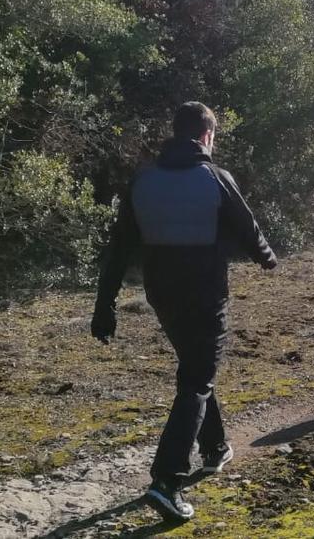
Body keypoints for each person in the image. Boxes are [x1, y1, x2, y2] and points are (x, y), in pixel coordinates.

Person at [92, 101, 277, 521]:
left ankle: (214, 447)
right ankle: (167, 480)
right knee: (197, 378)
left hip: (162, 295)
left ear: (175, 133)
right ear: (207, 136)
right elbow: (249, 229)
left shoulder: (142, 180)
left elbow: (118, 248)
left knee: (194, 368)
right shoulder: (216, 177)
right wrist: (267, 258)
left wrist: (104, 306)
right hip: (206, 294)